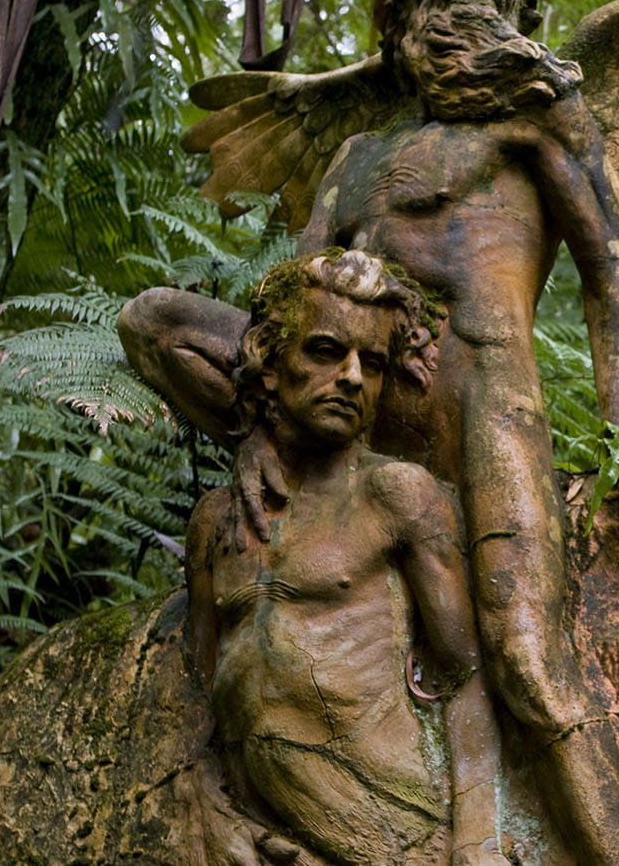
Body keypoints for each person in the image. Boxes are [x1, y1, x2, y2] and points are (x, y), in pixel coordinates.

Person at [123, 0, 619, 864]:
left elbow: (609, 275)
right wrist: (257, 435)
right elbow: (294, 306)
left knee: (530, 667)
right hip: (352, 423)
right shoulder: (355, 159)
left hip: (483, 407)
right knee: (153, 322)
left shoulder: (538, 109)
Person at [185, 249, 509, 866]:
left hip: (391, 818)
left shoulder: (397, 497)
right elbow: (199, 691)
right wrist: (217, 808)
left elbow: (465, 673)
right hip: (270, 831)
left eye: (374, 363)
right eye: (326, 352)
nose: (354, 377)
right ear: (271, 364)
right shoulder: (215, 522)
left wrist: (477, 834)